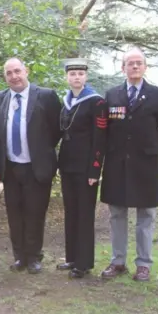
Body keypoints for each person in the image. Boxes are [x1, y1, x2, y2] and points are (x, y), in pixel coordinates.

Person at [99, 47, 158, 282]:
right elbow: (106, 131)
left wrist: (150, 150)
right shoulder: (112, 95)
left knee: (146, 216)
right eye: (129, 63)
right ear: (123, 68)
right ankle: (118, 261)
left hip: (146, 166)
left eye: (138, 63)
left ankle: (143, 264)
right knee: (117, 214)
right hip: (117, 165)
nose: (134, 66)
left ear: (145, 67)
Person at [0, 58, 62, 274]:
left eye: (17, 71)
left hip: (37, 167)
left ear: (26, 71)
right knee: (15, 213)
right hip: (11, 168)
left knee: (35, 212)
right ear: (5, 77)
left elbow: (57, 129)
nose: (14, 76)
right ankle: (19, 256)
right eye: (9, 73)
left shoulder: (46, 96)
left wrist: (43, 152)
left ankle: (34, 256)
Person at [55, 58, 107, 279]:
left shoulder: (96, 103)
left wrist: (95, 170)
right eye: (72, 74)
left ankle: (83, 263)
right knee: (71, 213)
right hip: (67, 166)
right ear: (67, 77)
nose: (76, 77)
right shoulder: (66, 101)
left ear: (86, 77)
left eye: (80, 74)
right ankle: (72, 257)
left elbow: (100, 139)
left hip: (86, 169)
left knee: (84, 215)